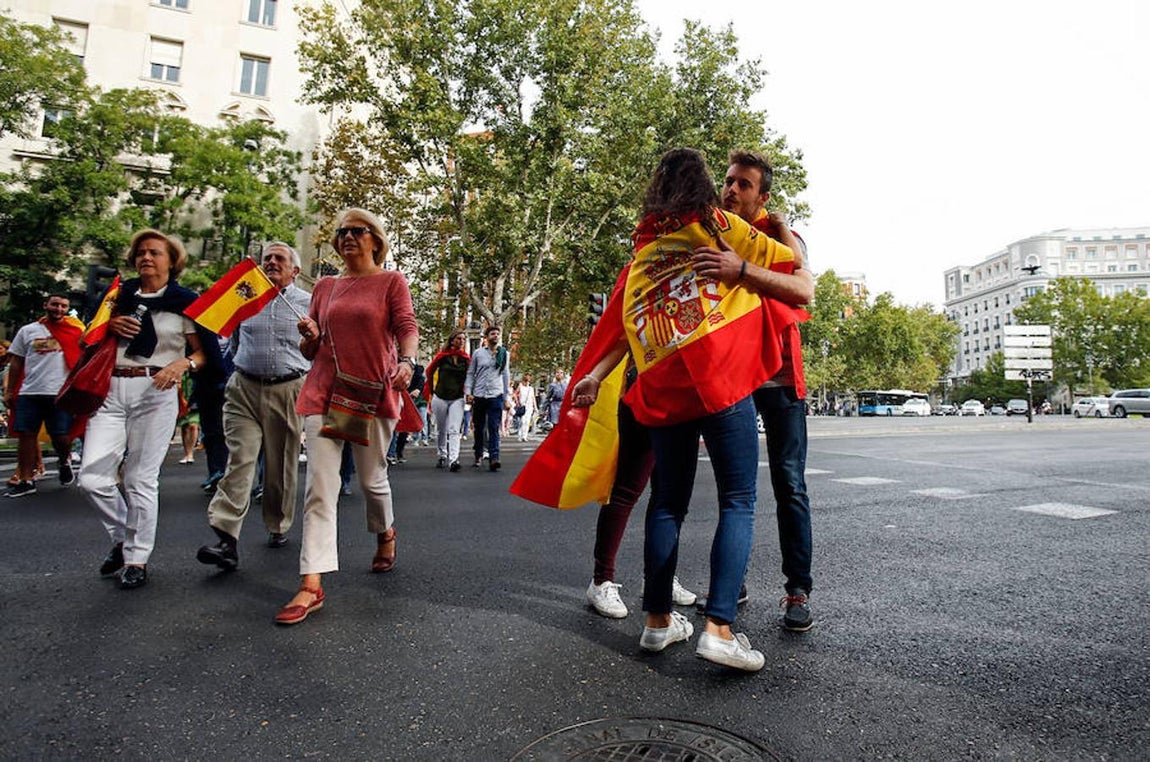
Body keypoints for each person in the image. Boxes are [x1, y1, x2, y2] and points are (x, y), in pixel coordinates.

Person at [570, 147, 805, 671]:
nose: (728, 190)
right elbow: (802, 286)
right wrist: (751, 258)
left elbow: (626, 326)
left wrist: (594, 375)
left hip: (664, 389)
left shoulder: (645, 251)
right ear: (705, 186)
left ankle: (657, 623)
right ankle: (719, 629)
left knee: (666, 504)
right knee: (738, 500)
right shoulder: (719, 226)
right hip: (720, 383)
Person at [692, 149, 816, 632]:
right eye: (728, 181)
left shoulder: (783, 237)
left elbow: (802, 286)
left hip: (780, 375)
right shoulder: (711, 233)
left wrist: (759, 252)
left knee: (790, 485)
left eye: (744, 184)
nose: (731, 190)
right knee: (734, 492)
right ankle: (731, 584)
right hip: (732, 374)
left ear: (763, 196)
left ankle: (797, 590)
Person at [277, 207, 417, 625]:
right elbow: (311, 351)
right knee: (320, 489)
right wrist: (310, 337)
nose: (348, 237)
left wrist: (408, 361)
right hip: (325, 392)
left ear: (375, 239)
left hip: (371, 393)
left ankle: (385, 532)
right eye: (342, 233)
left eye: (357, 231)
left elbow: (406, 325)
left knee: (373, 481)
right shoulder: (325, 286)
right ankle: (311, 584)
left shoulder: (391, 281)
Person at [79, 229, 209, 590]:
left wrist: (181, 366)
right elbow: (86, 337)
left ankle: (137, 558)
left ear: (172, 261)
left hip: (156, 391)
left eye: (154, 252)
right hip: (111, 389)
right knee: (91, 478)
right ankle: (122, 536)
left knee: (139, 479)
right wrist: (108, 327)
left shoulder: (186, 302)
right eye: (141, 252)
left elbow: (202, 352)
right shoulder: (116, 297)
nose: (146, 258)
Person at [195, 242, 312, 571]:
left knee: (280, 467)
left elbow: (319, 349)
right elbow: (223, 341)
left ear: (295, 271)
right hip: (243, 388)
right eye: (267, 259)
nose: (272, 263)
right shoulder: (242, 297)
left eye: (280, 259)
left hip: (288, 389)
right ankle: (225, 538)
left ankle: (278, 524)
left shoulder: (309, 304)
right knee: (240, 461)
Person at [4, 293, 84, 497]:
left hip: (60, 393)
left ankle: (64, 460)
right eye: (55, 304)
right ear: (46, 305)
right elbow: (16, 362)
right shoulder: (28, 331)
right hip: (30, 392)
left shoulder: (76, 332)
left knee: (61, 436)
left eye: (63, 306)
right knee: (26, 435)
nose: (59, 309)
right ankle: (26, 479)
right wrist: (10, 390)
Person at [464, 325, 510, 472]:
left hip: (495, 395)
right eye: (492, 334)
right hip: (479, 394)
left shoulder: (504, 353)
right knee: (479, 427)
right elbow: (471, 373)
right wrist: (469, 392)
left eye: (497, 334)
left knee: (494, 427)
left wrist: (506, 397)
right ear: (486, 337)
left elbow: (505, 375)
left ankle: (494, 457)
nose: (495, 336)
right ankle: (478, 454)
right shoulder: (478, 353)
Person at [424, 330, 469, 471]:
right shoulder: (442, 357)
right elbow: (429, 371)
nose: (461, 341)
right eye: (458, 338)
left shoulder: (466, 359)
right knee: (442, 428)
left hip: (457, 398)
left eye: (463, 339)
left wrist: (469, 392)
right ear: (452, 341)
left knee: (454, 429)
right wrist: (430, 391)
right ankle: (442, 454)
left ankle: (453, 460)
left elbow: (471, 376)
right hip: (440, 396)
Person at [516, 373, 537, 441]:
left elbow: (533, 398)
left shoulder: (531, 388)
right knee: (522, 421)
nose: (527, 382)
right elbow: (515, 394)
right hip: (522, 406)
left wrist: (535, 407)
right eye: (526, 380)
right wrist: (518, 402)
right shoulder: (520, 387)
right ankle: (520, 435)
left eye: (529, 380)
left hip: (529, 406)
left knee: (527, 421)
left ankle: (525, 436)